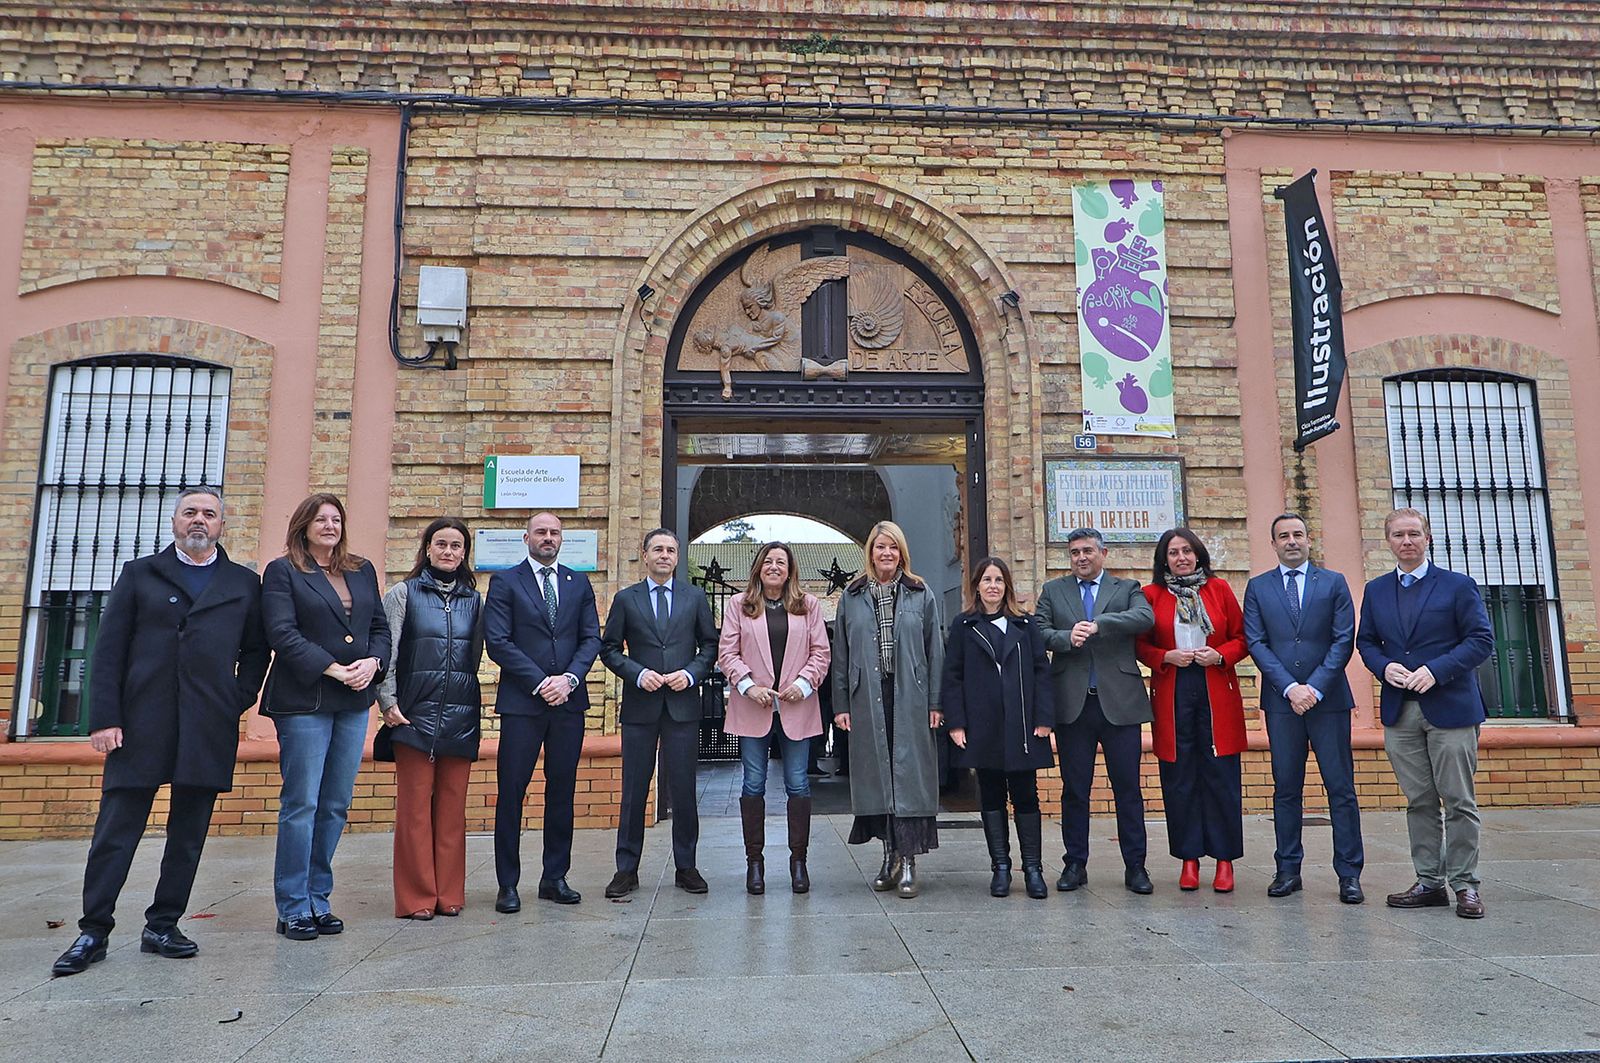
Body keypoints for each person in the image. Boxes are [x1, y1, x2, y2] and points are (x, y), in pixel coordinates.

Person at [52, 487, 270, 976]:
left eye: (209, 514)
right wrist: (105, 718)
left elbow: (257, 651)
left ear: (221, 525)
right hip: (140, 723)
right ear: (174, 521)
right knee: (116, 831)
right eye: (190, 512)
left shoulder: (242, 583)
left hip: (206, 724)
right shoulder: (140, 574)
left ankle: (163, 924)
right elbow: (107, 651)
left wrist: (238, 697)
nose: (199, 520)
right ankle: (93, 930)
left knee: (188, 835)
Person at [261, 493, 391, 941]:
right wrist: (333, 668)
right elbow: (281, 632)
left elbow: (378, 628)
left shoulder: (361, 568)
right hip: (305, 701)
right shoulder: (283, 571)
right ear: (303, 525)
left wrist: (373, 664)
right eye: (321, 519)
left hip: (355, 701)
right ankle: (293, 906)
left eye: (336, 519)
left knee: (335, 804)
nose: (330, 526)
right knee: (302, 804)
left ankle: (319, 898)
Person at [1357, 508, 1495, 919]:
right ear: (1388, 541)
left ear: (1428, 538)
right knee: (1419, 800)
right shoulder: (1377, 590)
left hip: (1451, 708)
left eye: (1414, 533)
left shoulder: (1457, 586)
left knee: (1458, 800)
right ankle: (1429, 881)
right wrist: (1384, 667)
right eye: (1398, 535)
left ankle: (1465, 884)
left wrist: (1436, 671)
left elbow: (1481, 640)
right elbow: (1366, 642)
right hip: (1401, 713)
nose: (1407, 541)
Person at [1243, 513, 1364, 904]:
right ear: (1273, 544)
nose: (1291, 541)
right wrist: (1291, 688)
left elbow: (1343, 640)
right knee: (1286, 789)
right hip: (1282, 704)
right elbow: (1256, 643)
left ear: (1309, 540)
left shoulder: (1333, 583)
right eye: (1283, 536)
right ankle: (1287, 870)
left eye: (1298, 534)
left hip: (1328, 702)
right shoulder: (1258, 588)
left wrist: (1313, 687)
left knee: (1340, 789)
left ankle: (1349, 874)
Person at [485, 512, 601, 911]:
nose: (548, 538)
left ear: (561, 539)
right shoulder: (505, 582)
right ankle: (508, 884)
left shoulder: (577, 581)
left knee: (562, 791)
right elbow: (498, 642)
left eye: (554, 533)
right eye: (541, 532)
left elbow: (591, 638)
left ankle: (555, 877)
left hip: (569, 703)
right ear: (526, 538)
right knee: (512, 792)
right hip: (523, 703)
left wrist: (568, 680)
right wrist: (540, 682)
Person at [600, 527, 718, 898]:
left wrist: (690, 674)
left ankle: (686, 867)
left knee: (683, 789)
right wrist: (638, 674)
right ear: (645, 555)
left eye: (671, 550)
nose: (665, 555)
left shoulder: (694, 597)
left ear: (677, 557)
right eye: (658, 550)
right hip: (641, 707)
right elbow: (609, 649)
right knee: (634, 789)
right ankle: (626, 869)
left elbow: (710, 646)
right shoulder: (626, 599)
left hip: (682, 707)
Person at [1037, 528, 1156, 894]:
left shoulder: (1127, 589)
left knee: (1128, 789)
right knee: (1075, 790)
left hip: (1119, 703)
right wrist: (1065, 638)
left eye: (1088, 551)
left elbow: (1144, 618)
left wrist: (1101, 624)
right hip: (1073, 705)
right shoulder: (1053, 591)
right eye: (1074, 553)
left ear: (1103, 553)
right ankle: (1075, 864)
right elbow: (1038, 631)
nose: (1081, 558)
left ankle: (1135, 866)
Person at [377, 517, 485, 920]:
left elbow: (472, 659)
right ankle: (417, 897)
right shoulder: (403, 594)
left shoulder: (474, 600)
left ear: (464, 554)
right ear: (427, 549)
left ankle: (449, 894)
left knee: (453, 810)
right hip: (412, 715)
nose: (449, 552)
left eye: (457, 546)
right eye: (441, 544)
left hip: (460, 715)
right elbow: (386, 654)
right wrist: (388, 702)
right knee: (415, 811)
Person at [833, 520, 945, 899]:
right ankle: (889, 855)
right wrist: (841, 704)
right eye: (880, 546)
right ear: (870, 551)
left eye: (893, 547)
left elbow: (935, 651)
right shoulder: (852, 595)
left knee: (909, 776)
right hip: (868, 696)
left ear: (902, 553)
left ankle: (910, 859)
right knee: (877, 776)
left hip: (909, 695)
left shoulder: (920, 592)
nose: (886, 553)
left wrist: (935, 701)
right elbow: (841, 655)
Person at [1136, 528, 1249, 893]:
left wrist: (1220, 654)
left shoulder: (1218, 590)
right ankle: (1188, 858)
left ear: (1198, 555)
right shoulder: (1151, 595)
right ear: (1163, 560)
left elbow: (1243, 637)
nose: (1181, 558)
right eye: (1173, 553)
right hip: (1173, 688)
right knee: (1180, 776)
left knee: (1220, 776)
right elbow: (1139, 644)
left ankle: (1224, 860)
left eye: (1187, 551)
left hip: (1215, 686)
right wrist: (1164, 657)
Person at [717, 542, 831, 894]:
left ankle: (799, 863)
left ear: (790, 569)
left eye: (781, 561)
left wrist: (804, 683)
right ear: (758, 567)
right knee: (753, 783)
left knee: (798, 782)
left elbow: (821, 653)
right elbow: (727, 653)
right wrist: (749, 686)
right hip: (754, 705)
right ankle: (755, 863)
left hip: (796, 705)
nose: (774, 566)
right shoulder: (739, 605)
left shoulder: (808, 605)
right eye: (768, 561)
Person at [942, 557, 1055, 899]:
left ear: (1007, 587)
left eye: (999, 580)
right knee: (990, 795)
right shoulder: (964, 626)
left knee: (1026, 796)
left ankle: (1033, 868)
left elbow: (1041, 671)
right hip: (983, 726)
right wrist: (957, 722)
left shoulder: (1025, 624)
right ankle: (1001, 868)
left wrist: (1044, 718)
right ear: (976, 585)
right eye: (986, 579)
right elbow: (953, 677)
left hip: (1022, 726)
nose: (993, 585)